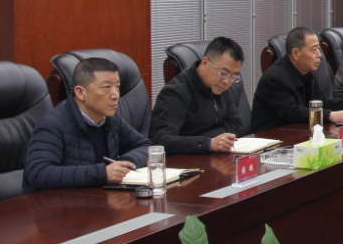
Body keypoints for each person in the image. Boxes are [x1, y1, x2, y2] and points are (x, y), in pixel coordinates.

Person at [23, 57, 150, 191]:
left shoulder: (109, 119)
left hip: (98, 196)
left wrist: (125, 163)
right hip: (58, 201)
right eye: (106, 87)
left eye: (117, 87)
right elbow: (38, 173)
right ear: (80, 92)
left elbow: (145, 146)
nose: (115, 95)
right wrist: (102, 173)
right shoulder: (52, 125)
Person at [250, 27, 343, 133]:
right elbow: (292, 113)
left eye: (319, 49)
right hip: (271, 138)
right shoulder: (275, 78)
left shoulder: (307, 72)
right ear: (296, 53)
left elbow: (321, 102)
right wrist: (329, 115)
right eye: (314, 49)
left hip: (296, 132)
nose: (319, 55)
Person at [149, 36, 246, 154]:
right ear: (204, 63)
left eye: (234, 76)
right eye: (223, 73)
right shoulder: (176, 92)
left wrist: (210, 141)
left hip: (214, 157)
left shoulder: (221, 87)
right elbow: (160, 140)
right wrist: (207, 143)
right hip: (185, 161)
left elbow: (237, 126)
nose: (227, 81)